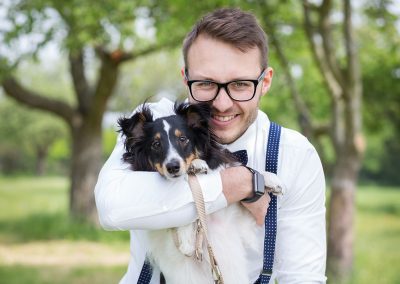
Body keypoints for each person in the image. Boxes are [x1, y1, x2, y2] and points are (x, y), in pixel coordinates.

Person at [95, 7, 326, 284]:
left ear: (265, 82)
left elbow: (302, 277)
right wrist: (233, 184)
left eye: (240, 84)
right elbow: (111, 207)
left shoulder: (294, 154)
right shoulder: (153, 121)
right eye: (206, 83)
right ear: (186, 78)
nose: (221, 104)